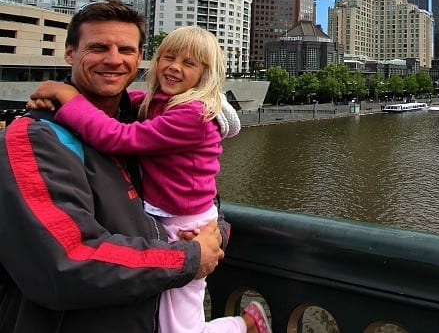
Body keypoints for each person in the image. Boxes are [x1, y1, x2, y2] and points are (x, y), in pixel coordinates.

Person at [0, 0, 226, 333]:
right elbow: (67, 263)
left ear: (138, 58)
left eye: (125, 49)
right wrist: (189, 257)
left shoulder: (144, 121)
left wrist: (214, 232)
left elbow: (198, 187)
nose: (113, 59)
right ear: (70, 53)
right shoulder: (34, 138)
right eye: (98, 47)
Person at [29, 25, 269, 333]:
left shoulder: (191, 116)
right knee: (157, 312)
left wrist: (67, 96)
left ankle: (247, 324)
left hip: (187, 226)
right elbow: (120, 104)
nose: (174, 67)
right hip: (165, 216)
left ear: (205, 74)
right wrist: (59, 101)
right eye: (168, 57)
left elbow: (118, 137)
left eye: (188, 63)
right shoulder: (159, 101)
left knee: (177, 329)